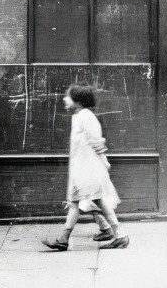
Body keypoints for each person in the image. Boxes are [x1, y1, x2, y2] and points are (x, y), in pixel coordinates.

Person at [43, 84, 129, 250]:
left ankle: (118, 235)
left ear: (78, 101)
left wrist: (104, 161)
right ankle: (65, 238)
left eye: (68, 96)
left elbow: (97, 141)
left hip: (89, 169)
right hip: (82, 168)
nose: (64, 99)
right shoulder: (79, 116)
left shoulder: (85, 116)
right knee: (80, 202)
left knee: (88, 201)